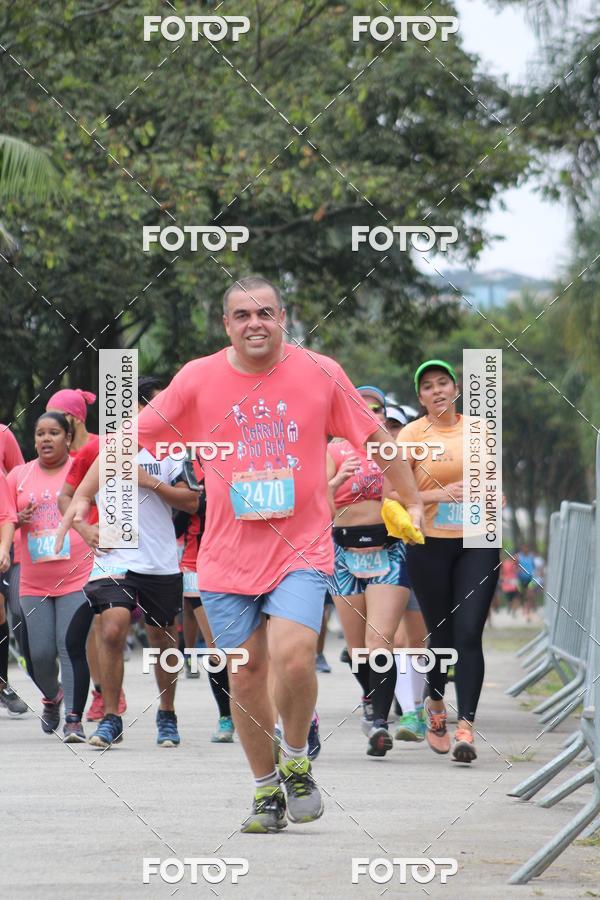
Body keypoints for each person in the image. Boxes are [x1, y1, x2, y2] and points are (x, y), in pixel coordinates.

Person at [58, 275, 423, 833]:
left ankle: (296, 757)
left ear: (284, 317)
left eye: (266, 313)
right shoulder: (199, 378)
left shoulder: (321, 372)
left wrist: (411, 498)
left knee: (296, 656)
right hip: (225, 557)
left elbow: (375, 438)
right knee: (247, 673)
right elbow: (127, 438)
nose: (256, 323)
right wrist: (83, 497)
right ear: (226, 324)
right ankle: (264, 791)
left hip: (299, 547)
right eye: (243, 315)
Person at [58, 377, 198, 749]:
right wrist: (85, 531)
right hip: (113, 556)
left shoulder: (173, 453)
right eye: (151, 407)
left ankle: (166, 713)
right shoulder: (103, 451)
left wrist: (148, 482)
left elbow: (191, 502)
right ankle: (110, 718)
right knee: (112, 628)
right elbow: (74, 498)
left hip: (158, 558)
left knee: (161, 638)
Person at [400, 360, 500, 764]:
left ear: (456, 389)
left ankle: (466, 728)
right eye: (428, 386)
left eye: (444, 383)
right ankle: (436, 705)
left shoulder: (480, 430)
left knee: (469, 631)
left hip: (477, 539)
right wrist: (441, 496)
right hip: (429, 544)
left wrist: (495, 495)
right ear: (420, 397)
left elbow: (490, 480)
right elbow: (394, 496)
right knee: (439, 636)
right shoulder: (410, 436)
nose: (437, 390)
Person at [327, 385, 411, 757]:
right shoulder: (331, 449)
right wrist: (335, 480)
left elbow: (407, 496)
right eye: (363, 407)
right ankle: (372, 695)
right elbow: (316, 505)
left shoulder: (392, 450)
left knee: (381, 643)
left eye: (378, 409)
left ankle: (379, 723)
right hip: (343, 552)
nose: (371, 414)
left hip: (388, 549)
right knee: (358, 649)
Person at [5, 412, 95, 740]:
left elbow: (99, 507)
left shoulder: (82, 470)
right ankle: (52, 695)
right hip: (33, 579)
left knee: (69, 646)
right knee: (39, 654)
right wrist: (18, 516)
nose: (46, 439)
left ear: (68, 438)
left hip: (76, 574)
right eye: (40, 433)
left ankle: (74, 718)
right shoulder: (18, 475)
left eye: (54, 433)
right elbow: (5, 514)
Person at [45, 387, 118, 722]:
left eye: (55, 417)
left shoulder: (101, 447)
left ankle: (109, 697)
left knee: (104, 625)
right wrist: (81, 529)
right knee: (88, 631)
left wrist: (95, 530)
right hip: (76, 550)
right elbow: (66, 499)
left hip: (109, 548)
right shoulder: (62, 457)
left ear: (72, 418)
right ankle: (102, 691)